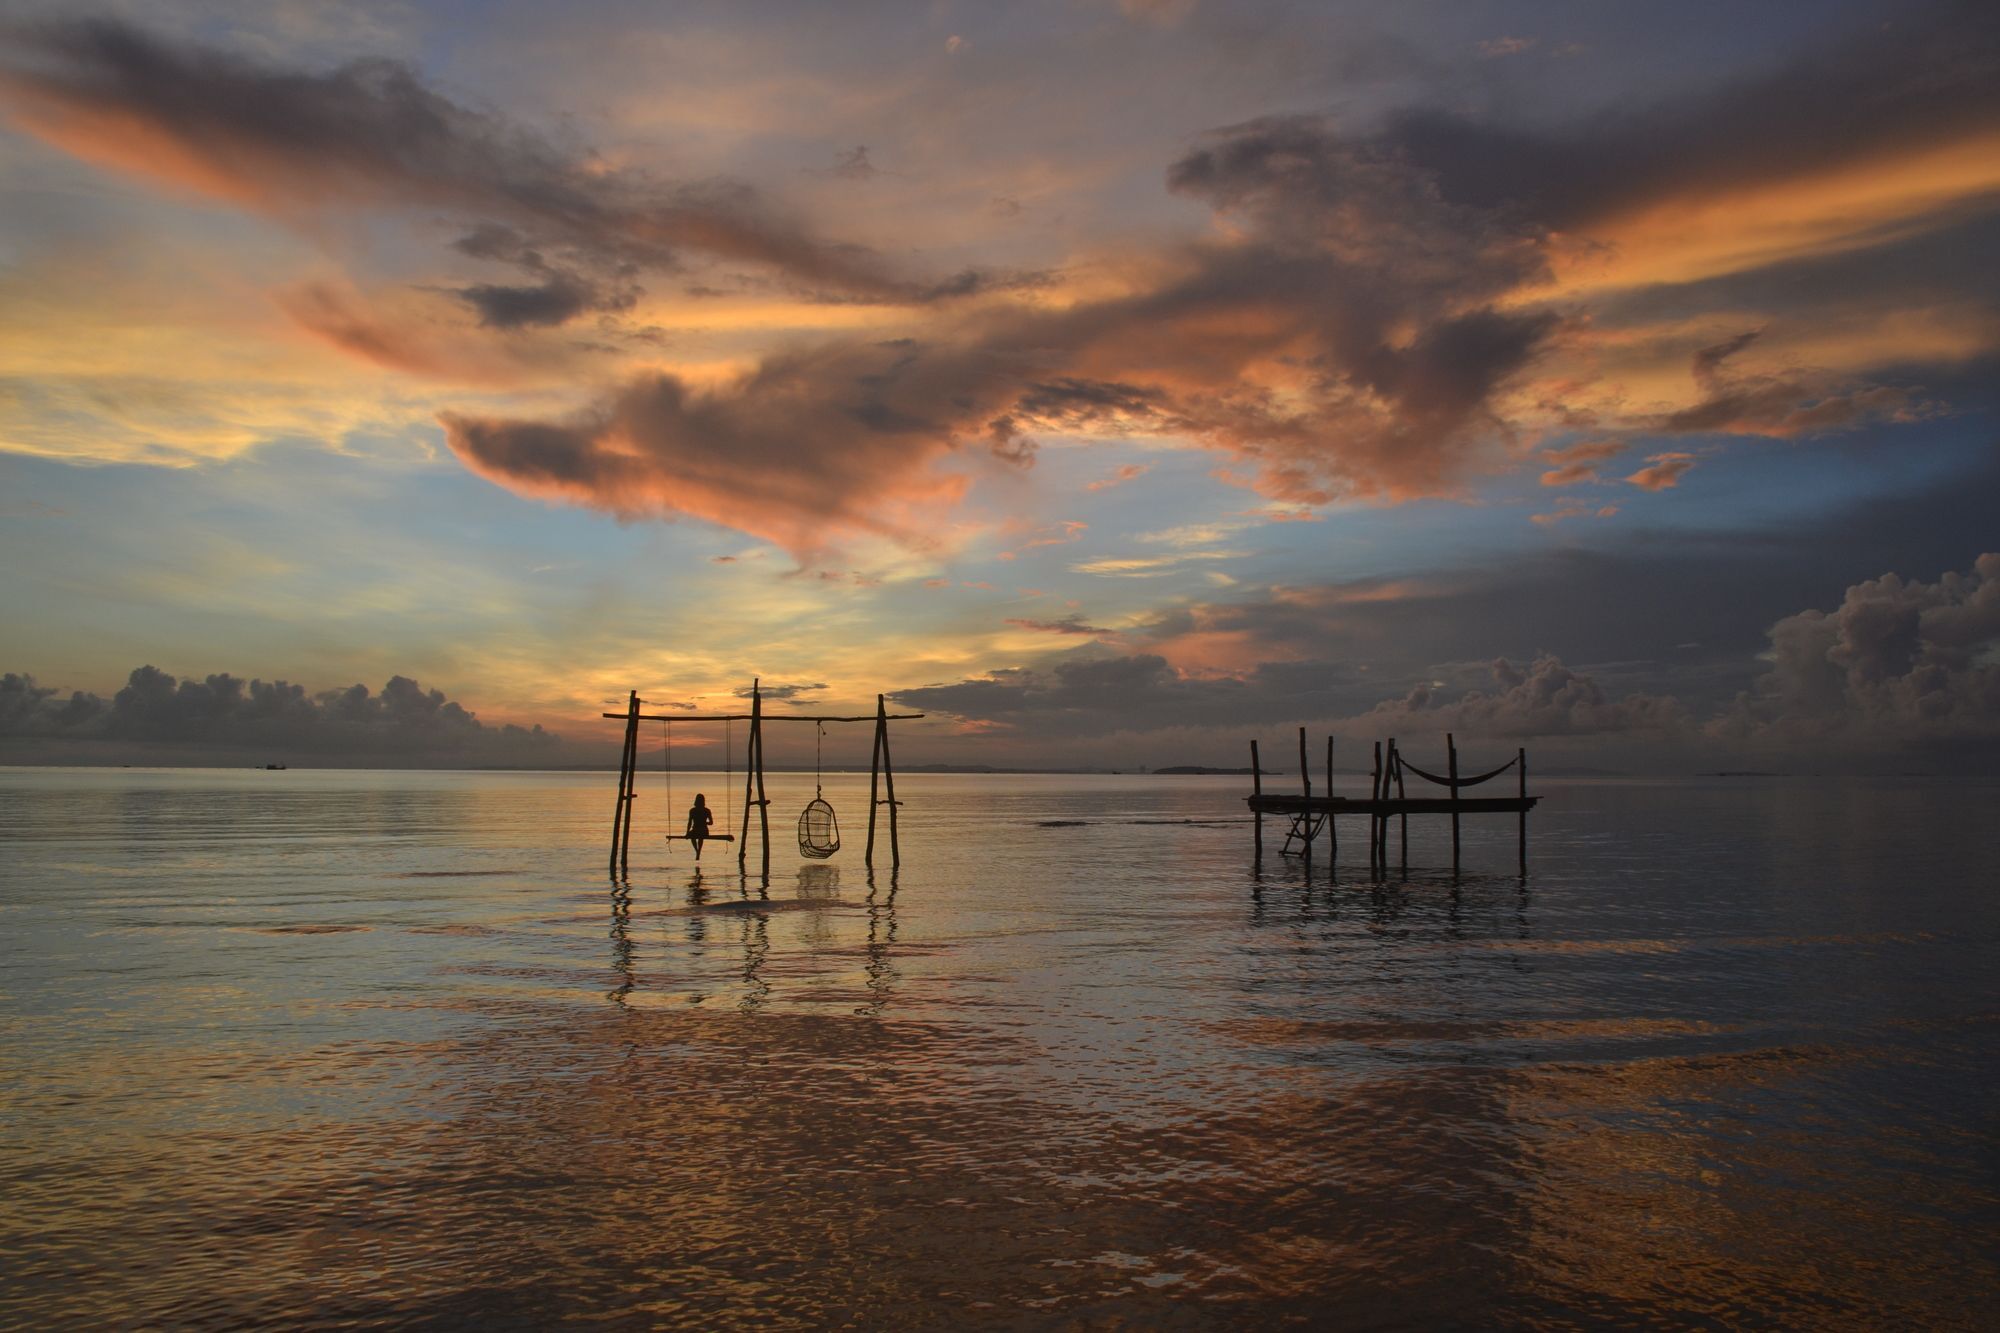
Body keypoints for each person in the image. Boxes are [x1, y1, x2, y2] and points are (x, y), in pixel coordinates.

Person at [684, 792, 714, 859]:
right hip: (704, 831)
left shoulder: (692, 810)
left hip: (696, 830)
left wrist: (687, 832)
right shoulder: (707, 810)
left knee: (692, 837)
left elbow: (689, 823)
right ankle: (698, 852)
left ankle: (697, 851)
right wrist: (705, 823)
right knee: (700, 837)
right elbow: (711, 823)